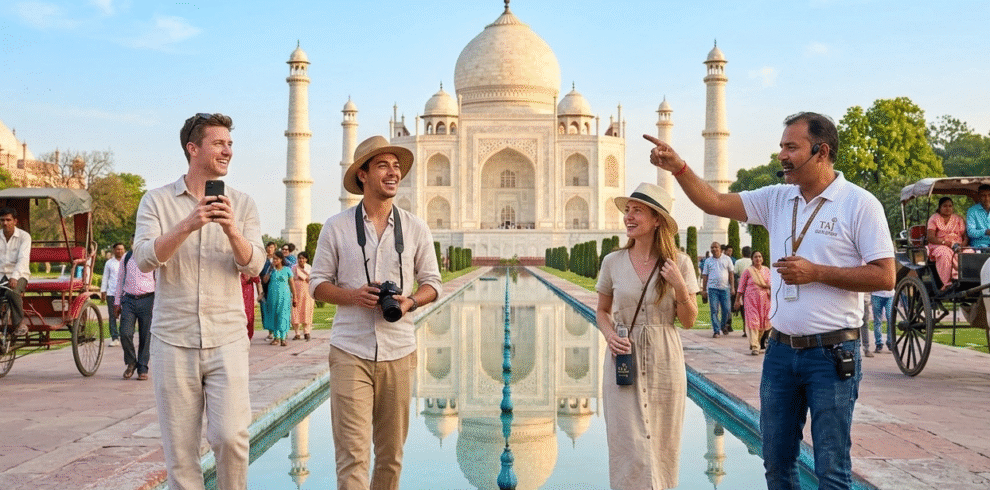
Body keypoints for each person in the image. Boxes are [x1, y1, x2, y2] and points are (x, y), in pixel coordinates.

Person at [645, 111, 895, 490]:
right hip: (780, 352)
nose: (781, 155)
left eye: (791, 147)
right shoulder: (778, 199)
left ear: (822, 151)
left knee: (831, 469)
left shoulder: (859, 204)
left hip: (832, 354)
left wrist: (817, 272)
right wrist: (680, 167)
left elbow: (885, 275)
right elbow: (714, 201)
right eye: (781, 146)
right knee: (777, 464)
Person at [133, 113, 264, 490]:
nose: (228, 150)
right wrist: (187, 224)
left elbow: (253, 265)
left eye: (230, 144)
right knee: (181, 452)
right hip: (174, 339)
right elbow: (144, 258)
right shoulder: (157, 201)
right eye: (219, 143)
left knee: (231, 438)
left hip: (226, 336)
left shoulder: (242, 204)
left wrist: (231, 229)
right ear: (193, 149)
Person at [310, 135, 442, 490]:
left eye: (396, 166)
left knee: (390, 456)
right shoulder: (336, 226)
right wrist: (353, 296)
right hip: (351, 350)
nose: (393, 172)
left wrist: (410, 302)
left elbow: (433, 282)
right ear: (363, 175)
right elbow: (316, 284)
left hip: (399, 352)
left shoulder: (415, 227)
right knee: (352, 455)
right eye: (383, 165)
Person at [596, 183, 699, 490]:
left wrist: (679, 285)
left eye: (637, 210)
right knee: (628, 445)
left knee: (663, 444)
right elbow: (602, 311)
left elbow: (690, 320)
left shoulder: (679, 262)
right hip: (623, 357)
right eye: (627, 210)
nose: (628, 216)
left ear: (657, 220)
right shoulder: (612, 261)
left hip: (664, 358)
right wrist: (609, 335)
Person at [115, 247, 156, 380]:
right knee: (125, 333)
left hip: (148, 300)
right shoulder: (127, 258)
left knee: (146, 335)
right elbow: (120, 279)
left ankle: (143, 367)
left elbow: (159, 280)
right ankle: (131, 362)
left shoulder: (152, 256)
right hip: (129, 300)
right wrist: (117, 302)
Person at [0, 208, 30, 336]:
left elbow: (23, 259)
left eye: (8, 220)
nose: (5, 223)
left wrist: (15, 277)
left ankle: (19, 324)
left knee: (12, 293)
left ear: (15, 221)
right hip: (1, 274)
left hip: (19, 274)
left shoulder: (24, 237)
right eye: (2, 220)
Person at [734, 251, 771, 355]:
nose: (758, 259)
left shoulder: (767, 270)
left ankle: (756, 342)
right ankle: (755, 346)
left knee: (764, 322)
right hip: (751, 300)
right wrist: (737, 300)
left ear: (762, 259)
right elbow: (741, 287)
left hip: (765, 300)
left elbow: (772, 284)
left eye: (760, 256)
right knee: (753, 321)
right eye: (755, 257)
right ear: (752, 259)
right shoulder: (748, 271)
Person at [928, 196, 968, 287]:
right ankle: (948, 283)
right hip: (939, 245)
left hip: (958, 246)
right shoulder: (934, 218)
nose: (948, 208)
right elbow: (930, 237)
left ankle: (967, 280)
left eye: (950, 206)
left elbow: (965, 236)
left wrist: (962, 245)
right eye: (945, 206)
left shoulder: (958, 219)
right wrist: (946, 243)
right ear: (939, 208)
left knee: (971, 252)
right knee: (944, 253)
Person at [701, 241, 733, 337]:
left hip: (725, 288)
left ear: (720, 249)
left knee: (727, 310)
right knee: (714, 310)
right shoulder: (708, 261)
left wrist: (733, 287)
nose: (714, 249)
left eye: (716, 247)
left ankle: (723, 326)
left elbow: (731, 274)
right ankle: (716, 331)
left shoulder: (727, 259)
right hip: (712, 289)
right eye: (712, 247)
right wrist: (704, 290)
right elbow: (705, 275)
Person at [262, 250, 295, 346]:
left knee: (283, 315)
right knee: (274, 315)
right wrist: (270, 268)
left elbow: (292, 284)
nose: (274, 260)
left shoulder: (287, 270)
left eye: (276, 259)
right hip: (272, 296)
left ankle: (283, 338)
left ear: (281, 259)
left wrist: (295, 297)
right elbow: (265, 280)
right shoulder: (272, 270)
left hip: (284, 296)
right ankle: (276, 337)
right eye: (273, 259)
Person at [100, 243, 126, 347]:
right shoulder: (109, 263)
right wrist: (103, 291)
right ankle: (115, 338)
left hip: (125, 293)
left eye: (122, 249)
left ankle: (125, 337)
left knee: (125, 316)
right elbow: (105, 277)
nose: (120, 251)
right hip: (111, 293)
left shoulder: (128, 261)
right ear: (114, 250)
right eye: (118, 249)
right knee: (112, 316)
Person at [291, 251, 314, 341]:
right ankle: (297, 333)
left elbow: (311, 279)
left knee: (307, 311)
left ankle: (306, 332)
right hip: (297, 292)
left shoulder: (309, 268)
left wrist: (304, 274)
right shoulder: (294, 267)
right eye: (300, 258)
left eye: (303, 258)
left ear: (306, 259)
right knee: (296, 311)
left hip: (307, 293)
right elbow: (291, 280)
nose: (301, 260)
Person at [259, 241, 277, 340]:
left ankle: (278, 332)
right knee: (266, 310)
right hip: (265, 287)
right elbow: (259, 273)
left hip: (276, 287)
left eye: (272, 247)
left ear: (275, 248)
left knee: (276, 309)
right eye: (268, 247)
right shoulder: (263, 259)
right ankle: (270, 332)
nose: (270, 249)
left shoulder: (278, 260)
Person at [966, 184, 990, 249]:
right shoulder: (972, 211)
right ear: (979, 197)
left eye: (989, 195)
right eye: (984, 196)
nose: (987, 198)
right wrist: (986, 231)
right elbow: (970, 232)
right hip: (979, 246)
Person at [870, 289, 893, 353]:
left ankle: (890, 342)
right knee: (877, 321)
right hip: (876, 295)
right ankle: (878, 343)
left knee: (890, 319)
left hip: (890, 295)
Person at [240, 272, 261, 340]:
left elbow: (257, 281)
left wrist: (260, 294)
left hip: (248, 298)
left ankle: (248, 337)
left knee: (249, 318)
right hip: (236, 298)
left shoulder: (249, 270)